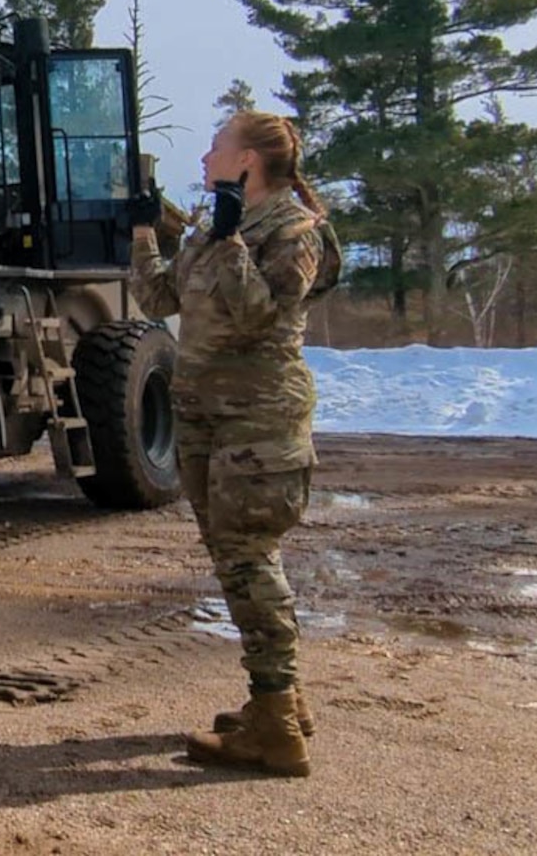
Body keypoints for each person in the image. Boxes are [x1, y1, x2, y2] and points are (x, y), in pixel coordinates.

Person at [126, 110, 340, 778]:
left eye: (216, 146)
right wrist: (143, 231)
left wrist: (226, 241)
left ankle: (274, 724)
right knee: (235, 558)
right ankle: (283, 703)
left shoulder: (294, 231)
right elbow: (159, 294)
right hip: (205, 417)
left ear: (247, 160)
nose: (204, 156)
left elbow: (259, 316)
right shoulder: (220, 224)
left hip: (257, 418)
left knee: (250, 558)